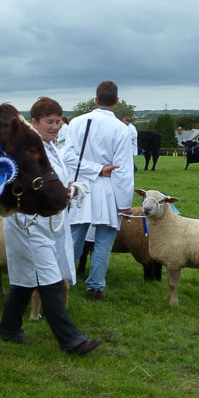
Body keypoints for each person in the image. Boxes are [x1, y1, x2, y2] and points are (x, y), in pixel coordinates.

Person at [0, 97, 101, 354]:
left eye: (58, 121)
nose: (55, 126)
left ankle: (9, 329)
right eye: (49, 122)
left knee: (24, 280)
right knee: (50, 280)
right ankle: (71, 340)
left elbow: (50, 183)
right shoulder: (28, 150)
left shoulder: (52, 146)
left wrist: (71, 189)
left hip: (49, 222)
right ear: (34, 122)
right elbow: (27, 187)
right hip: (30, 223)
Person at [64, 80, 134, 301]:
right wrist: (124, 205)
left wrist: (93, 169)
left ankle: (63, 281)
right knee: (103, 241)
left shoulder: (75, 122)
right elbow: (123, 171)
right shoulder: (121, 129)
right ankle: (94, 287)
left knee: (74, 237)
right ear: (117, 101)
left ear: (96, 100)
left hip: (81, 189)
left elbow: (68, 157)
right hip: (107, 191)